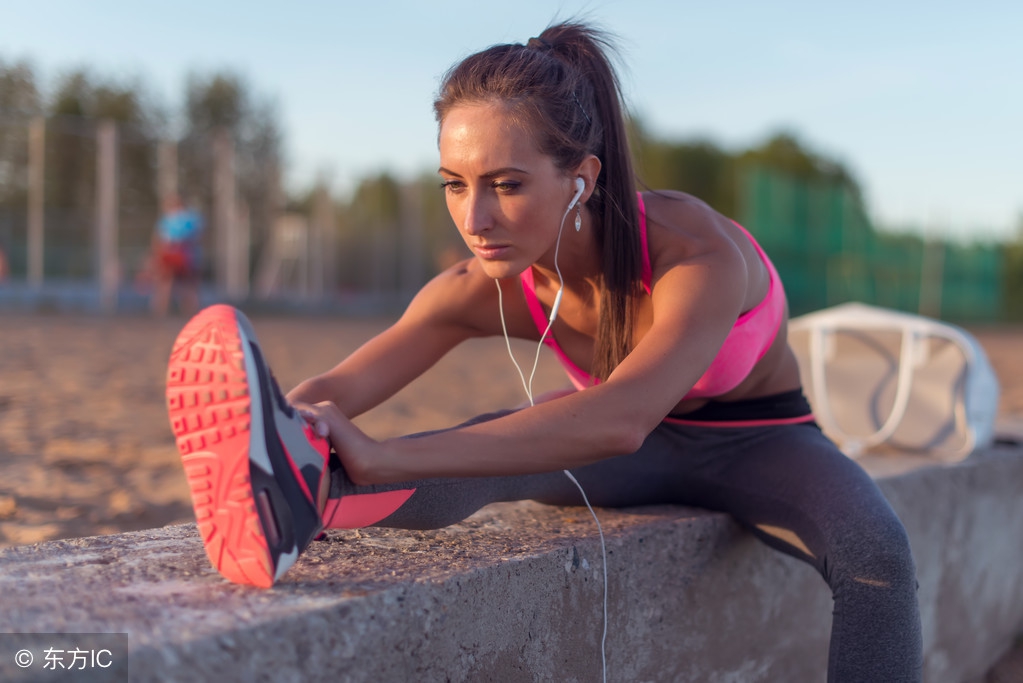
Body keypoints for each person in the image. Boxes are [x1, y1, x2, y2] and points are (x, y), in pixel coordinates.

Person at [165, 22, 922, 681]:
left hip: (759, 442)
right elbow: (348, 380)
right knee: (480, 451)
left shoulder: (696, 256)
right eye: (453, 185)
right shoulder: (480, 281)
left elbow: (620, 417)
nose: (477, 215)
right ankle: (302, 500)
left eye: (506, 183)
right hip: (637, 446)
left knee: (877, 555)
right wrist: (287, 421)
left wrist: (385, 454)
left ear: (581, 178)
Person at [150, 194, 202, 316]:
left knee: (170, 283)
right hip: (183, 255)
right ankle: (188, 311)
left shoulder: (175, 219)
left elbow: (159, 240)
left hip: (179, 254)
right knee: (183, 285)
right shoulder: (190, 219)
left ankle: (161, 310)